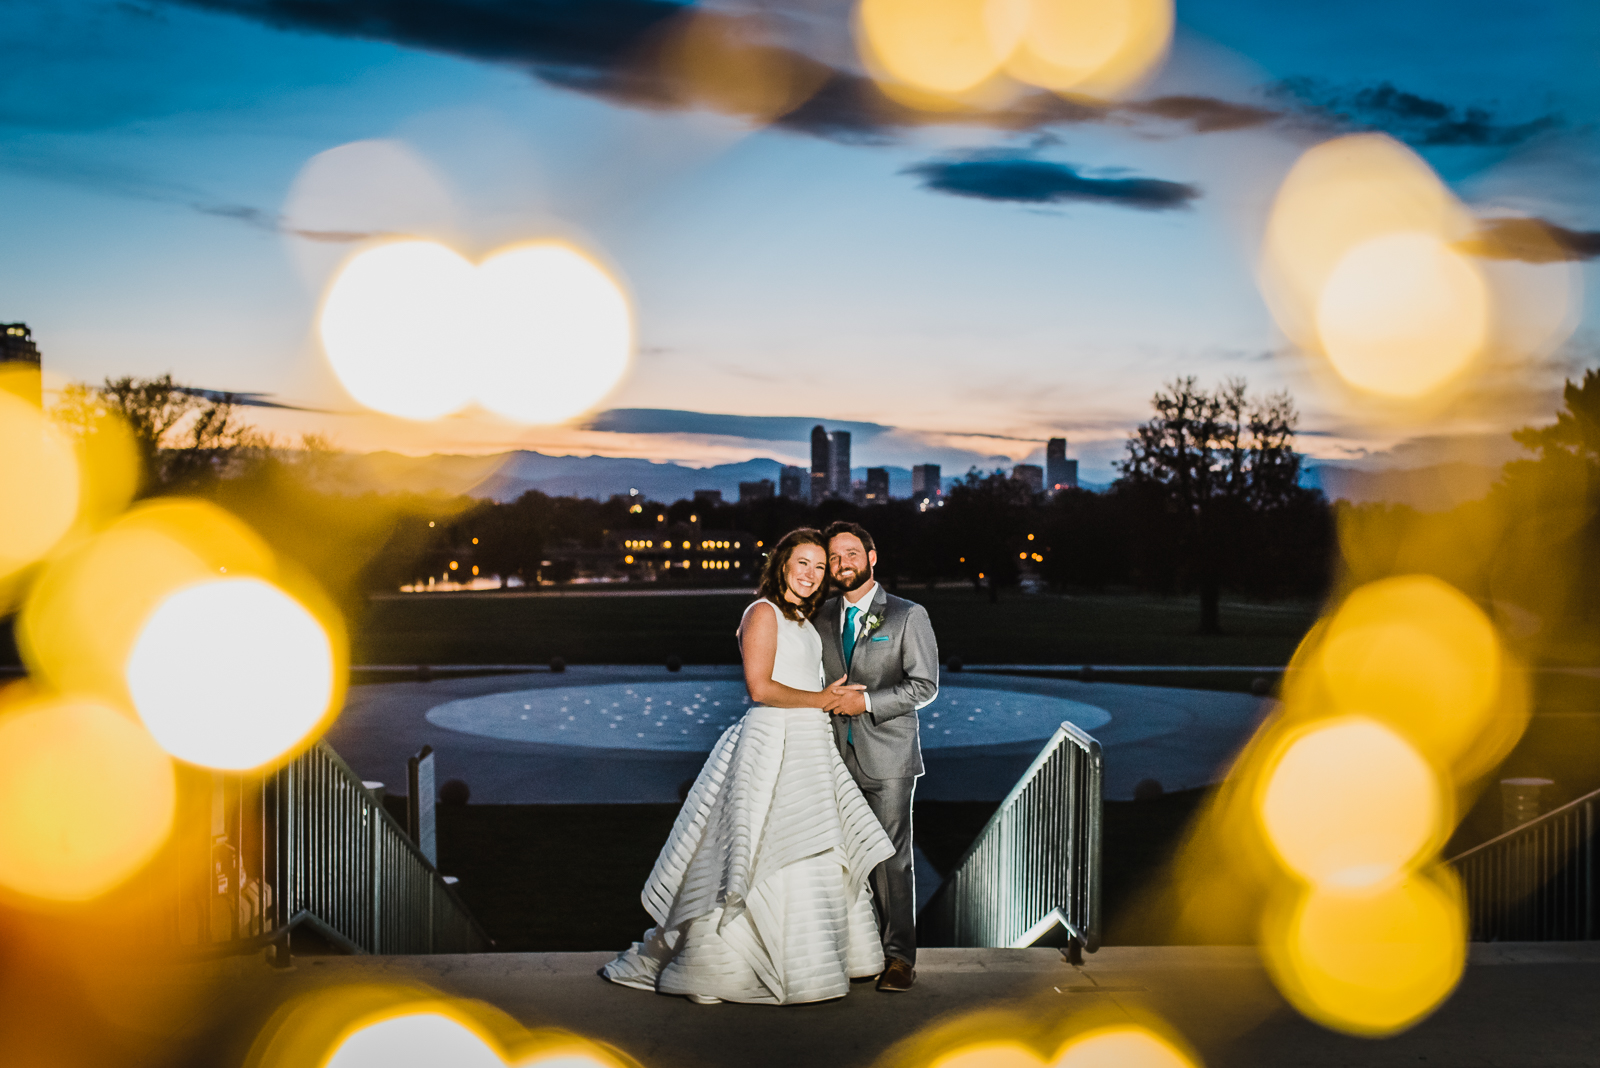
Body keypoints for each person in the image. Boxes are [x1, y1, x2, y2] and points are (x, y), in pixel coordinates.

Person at [601, 528, 896, 1005]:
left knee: (809, 845)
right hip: (772, 740)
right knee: (755, 850)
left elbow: (799, 678)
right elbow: (760, 688)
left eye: (820, 567)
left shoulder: (801, 619)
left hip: (807, 742)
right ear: (781, 563)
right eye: (803, 562)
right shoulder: (762, 612)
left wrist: (833, 692)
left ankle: (806, 957)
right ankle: (723, 966)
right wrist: (822, 698)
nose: (812, 574)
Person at [815, 521, 939, 993]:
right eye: (835, 557)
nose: (842, 563)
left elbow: (924, 686)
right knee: (836, 857)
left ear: (871, 556)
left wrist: (865, 702)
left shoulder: (908, 615)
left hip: (886, 758)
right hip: (828, 755)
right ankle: (853, 950)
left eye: (851, 553)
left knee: (891, 858)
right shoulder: (820, 615)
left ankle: (898, 958)